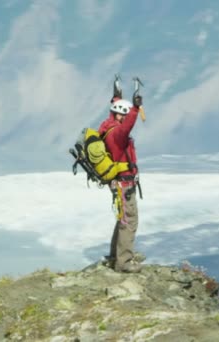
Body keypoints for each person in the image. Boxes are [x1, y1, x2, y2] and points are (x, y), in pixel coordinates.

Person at [98, 93, 143, 273]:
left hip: (120, 183)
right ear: (119, 115)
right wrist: (135, 109)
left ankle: (115, 256)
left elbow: (118, 113)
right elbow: (127, 127)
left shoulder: (108, 127)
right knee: (129, 220)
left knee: (123, 219)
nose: (125, 118)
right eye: (123, 115)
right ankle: (123, 262)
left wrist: (117, 97)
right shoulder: (117, 133)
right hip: (124, 183)